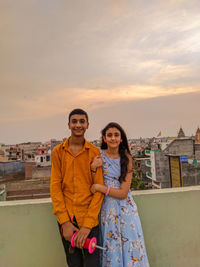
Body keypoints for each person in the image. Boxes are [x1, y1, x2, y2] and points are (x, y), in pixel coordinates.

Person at [90, 122, 149, 267]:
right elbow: (90, 183)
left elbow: (123, 193)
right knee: (111, 247)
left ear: (121, 139)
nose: (113, 138)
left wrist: (100, 187)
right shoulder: (98, 156)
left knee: (130, 247)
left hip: (125, 210)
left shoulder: (127, 158)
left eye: (116, 135)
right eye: (109, 135)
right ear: (104, 138)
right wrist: (92, 168)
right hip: (107, 210)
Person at [50, 108, 104, 267]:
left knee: (92, 264)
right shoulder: (58, 152)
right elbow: (55, 187)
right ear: (68, 124)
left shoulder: (94, 153)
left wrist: (87, 225)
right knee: (73, 263)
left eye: (82, 121)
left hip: (90, 219)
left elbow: (98, 191)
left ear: (87, 125)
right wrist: (65, 222)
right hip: (68, 220)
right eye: (74, 121)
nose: (78, 125)